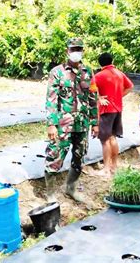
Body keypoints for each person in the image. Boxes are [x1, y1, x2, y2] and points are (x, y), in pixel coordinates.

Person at [44, 37, 98, 204]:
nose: (76, 52)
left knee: (79, 156)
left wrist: (95, 122)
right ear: (67, 51)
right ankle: (50, 194)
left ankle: (71, 189)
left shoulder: (88, 72)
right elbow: (51, 99)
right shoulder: (57, 72)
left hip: (82, 123)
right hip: (62, 124)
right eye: (73, 49)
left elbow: (92, 96)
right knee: (55, 156)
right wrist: (51, 124)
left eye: (79, 49)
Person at [94, 52, 134, 176]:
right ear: (112, 61)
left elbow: (92, 93)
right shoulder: (119, 73)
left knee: (105, 140)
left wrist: (100, 98)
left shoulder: (98, 76)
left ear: (100, 63)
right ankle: (114, 166)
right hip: (117, 109)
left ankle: (106, 169)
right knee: (113, 137)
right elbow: (130, 87)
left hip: (106, 110)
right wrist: (118, 96)